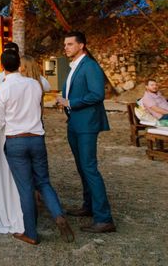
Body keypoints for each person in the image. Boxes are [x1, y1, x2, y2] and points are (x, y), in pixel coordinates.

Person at [0, 51, 74, 245]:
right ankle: (58, 215)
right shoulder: (34, 84)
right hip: (37, 138)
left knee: (26, 188)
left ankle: (31, 233)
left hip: (16, 140)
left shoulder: (1, 90)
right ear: (20, 65)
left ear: (2, 67)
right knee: (44, 182)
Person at [56, 31, 115, 233]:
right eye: (65, 44)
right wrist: (64, 101)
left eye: (70, 44)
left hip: (87, 124)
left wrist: (71, 102)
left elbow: (97, 94)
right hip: (74, 123)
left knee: (89, 168)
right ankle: (88, 206)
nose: (66, 47)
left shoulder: (90, 66)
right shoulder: (74, 67)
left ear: (81, 45)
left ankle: (104, 218)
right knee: (82, 167)